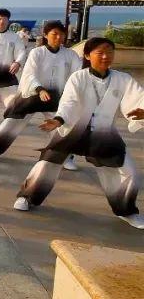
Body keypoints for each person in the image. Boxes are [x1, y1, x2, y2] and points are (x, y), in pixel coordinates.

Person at [14, 37, 144, 228]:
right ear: (87, 55)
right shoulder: (78, 77)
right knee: (47, 164)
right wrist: (58, 120)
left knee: (129, 172)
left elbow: (138, 98)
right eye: (100, 53)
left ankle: (126, 210)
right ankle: (28, 197)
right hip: (73, 128)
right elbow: (69, 103)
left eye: (110, 52)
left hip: (104, 132)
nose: (106, 56)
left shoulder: (123, 79)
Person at [0, 21, 81, 169]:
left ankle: (65, 157)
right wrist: (40, 89)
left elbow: (77, 76)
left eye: (61, 34)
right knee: (12, 123)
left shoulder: (71, 55)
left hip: (56, 97)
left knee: (62, 125)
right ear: (45, 35)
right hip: (34, 94)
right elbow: (29, 74)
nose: (58, 37)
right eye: (54, 34)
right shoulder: (37, 52)